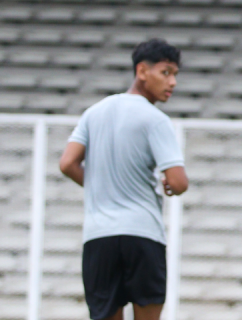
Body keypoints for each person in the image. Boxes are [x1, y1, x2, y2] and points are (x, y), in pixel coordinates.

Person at [59, 38, 189, 320]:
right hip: (142, 234)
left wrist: (100, 184)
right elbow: (178, 182)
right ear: (142, 71)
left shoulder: (94, 112)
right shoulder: (154, 119)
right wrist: (169, 184)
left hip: (98, 236)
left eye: (175, 75)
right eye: (166, 73)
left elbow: (68, 163)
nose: (173, 82)